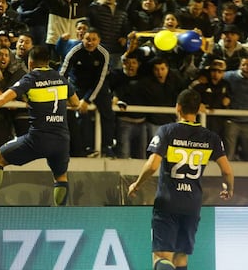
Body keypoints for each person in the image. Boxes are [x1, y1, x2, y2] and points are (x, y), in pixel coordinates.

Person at [127, 88, 234, 270]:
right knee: (181, 257)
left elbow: (153, 165)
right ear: (199, 109)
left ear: (177, 107)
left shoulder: (167, 131)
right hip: (192, 204)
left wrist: (137, 184)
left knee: (161, 257)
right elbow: (227, 171)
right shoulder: (211, 138)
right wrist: (229, 189)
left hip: (168, 203)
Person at [0, 45, 80, 206]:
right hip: (62, 140)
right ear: (48, 62)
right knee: (60, 176)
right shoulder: (61, 79)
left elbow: (2, 99)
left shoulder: (30, 78)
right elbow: (75, 103)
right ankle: (60, 217)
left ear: (30, 63)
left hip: (38, 139)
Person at [60, 27, 116, 157]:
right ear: (82, 39)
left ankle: (107, 146)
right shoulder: (74, 51)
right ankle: (84, 148)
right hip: (77, 85)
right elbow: (62, 74)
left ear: (99, 40)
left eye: (93, 40)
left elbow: (100, 80)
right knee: (81, 114)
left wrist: (86, 99)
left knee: (108, 112)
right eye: (87, 39)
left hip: (97, 86)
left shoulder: (104, 54)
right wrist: (67, 93)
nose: (90, 42)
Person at [223, 56, 248, 161]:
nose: (246, 68)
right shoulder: (229, 76)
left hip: (247, 122)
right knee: (229, 155)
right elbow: (215, 77)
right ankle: (226, 176)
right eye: (244, 64)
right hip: (232, 121)